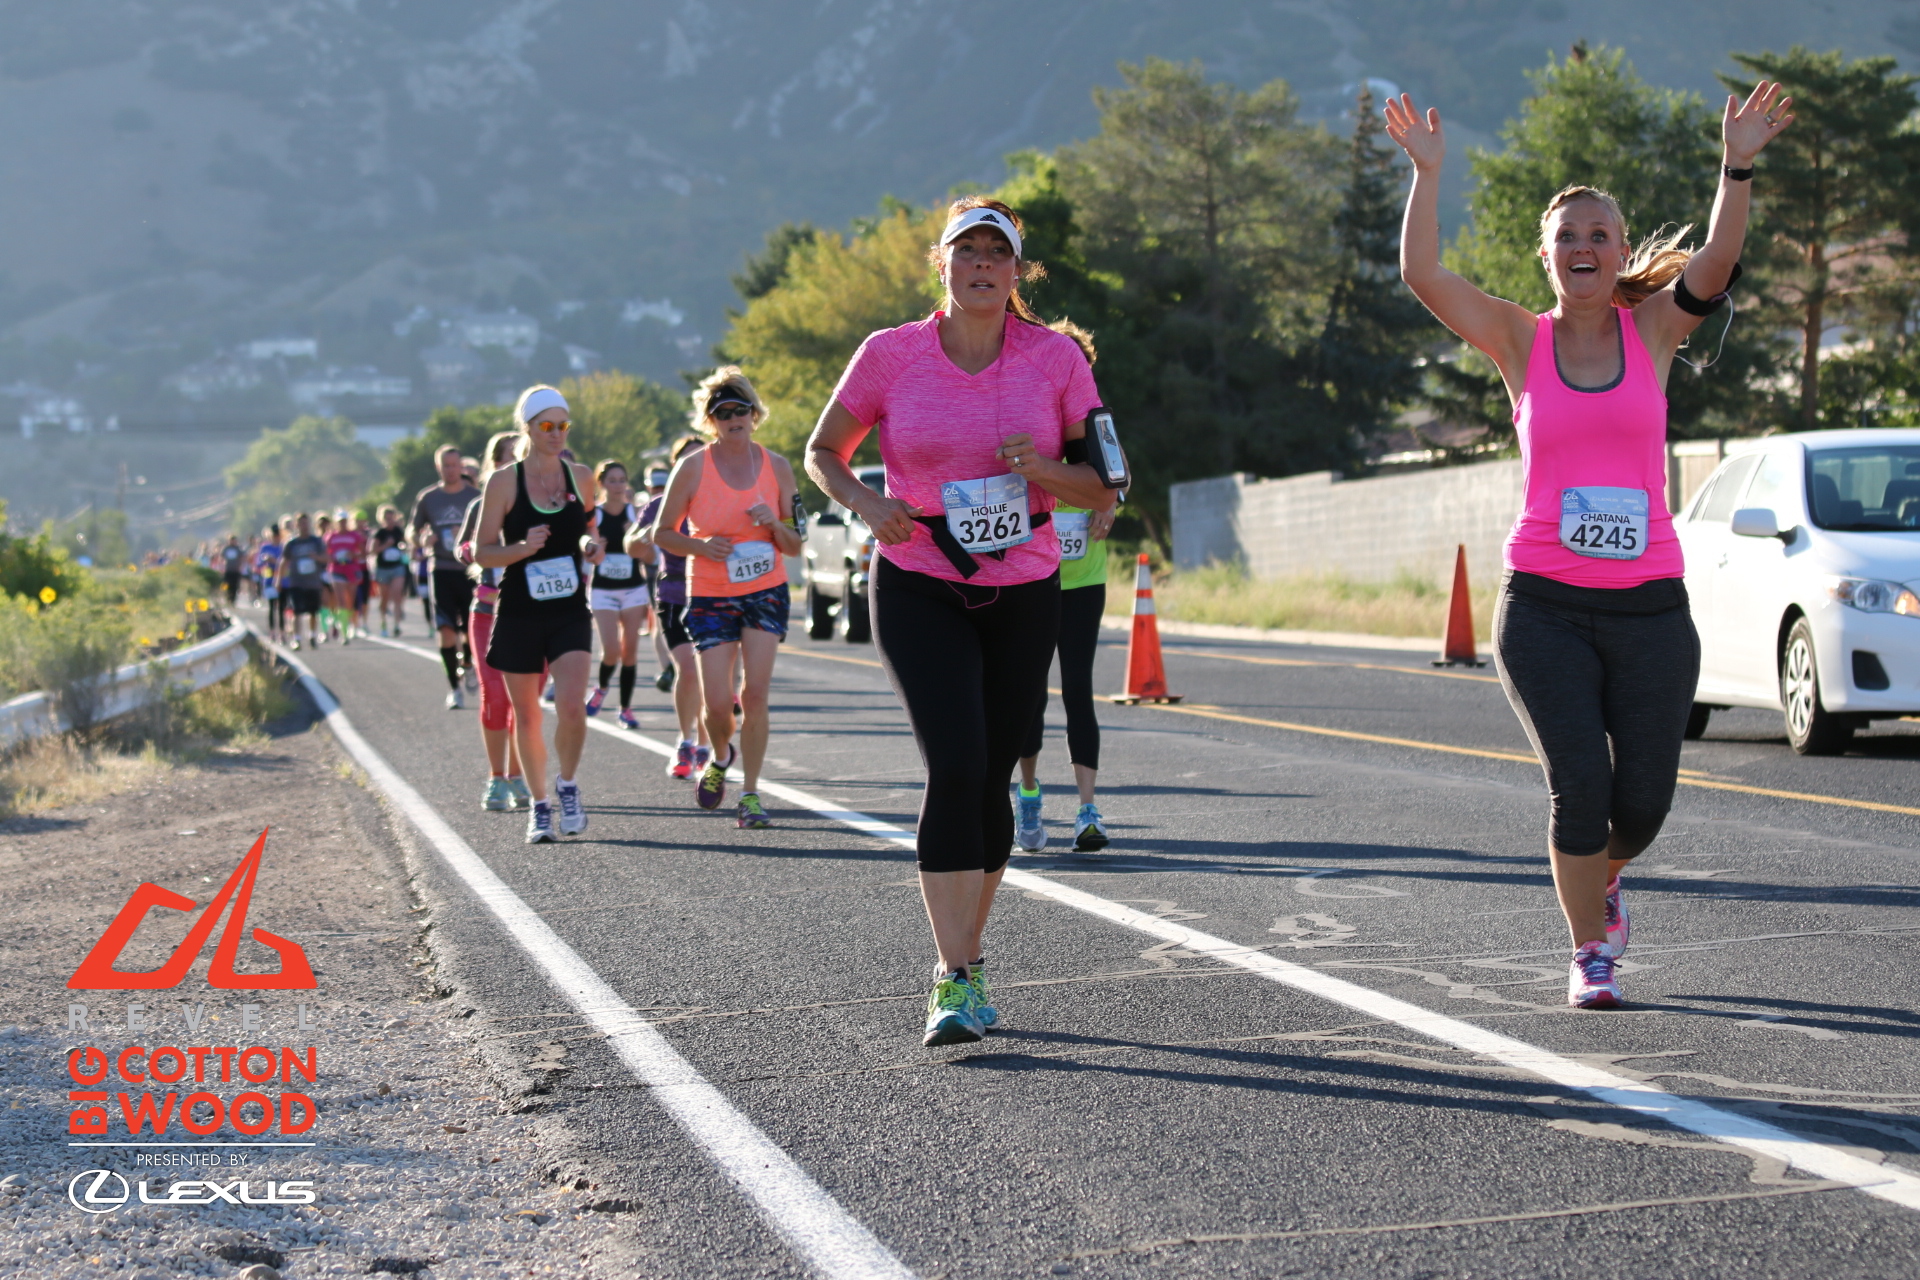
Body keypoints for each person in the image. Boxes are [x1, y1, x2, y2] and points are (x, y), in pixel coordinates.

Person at [1384, 84, 1791, 1009]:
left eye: (1600, 235)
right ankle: (1588, 952)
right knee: (1580, 786)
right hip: (1545, 607)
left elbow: (1718, 260)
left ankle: (1604, 877)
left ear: (1619, 252)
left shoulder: (1655, 331)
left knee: (1638, 808)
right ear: (1547, 256)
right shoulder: (1517, 339)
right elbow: (1423, 274)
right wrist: (1428, 175)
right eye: (1568, 236)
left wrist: (1737, 166)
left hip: (1650, 608)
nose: (1584, 247)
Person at [806, 197, 1117, 1046]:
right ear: (940, 264)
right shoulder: (890, 354)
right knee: (954, 764)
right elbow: (823, 451)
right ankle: (952, 976)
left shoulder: (1055, 360)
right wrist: (869, 503)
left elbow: (1104, 485)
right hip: (919, 578)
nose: (981, 265)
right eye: (966, 251)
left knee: (992, 775)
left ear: (1018, 271)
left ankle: (969, 957)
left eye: (997, 253)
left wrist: (1044, 468)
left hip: (1025, 585)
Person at [651, 370, 802, 829]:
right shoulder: (693, 467)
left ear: (755, 414)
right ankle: (720, 756)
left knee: (754, 694)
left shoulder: (777, 467)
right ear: (710, 421)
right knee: (717, 704)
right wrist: (700, 546)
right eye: (723, 413)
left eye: (741, 410)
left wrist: (773, 523)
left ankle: (751, 794)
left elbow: (796, 544)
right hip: (710, 592)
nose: (734, 418)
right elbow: (661, 533)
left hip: (765, 590)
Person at [472, 386, 604, 843]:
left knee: (572, 706)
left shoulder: (581, 477)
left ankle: (567, 785)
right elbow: (482, 552)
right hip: (519, 611)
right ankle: (540, 806)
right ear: (527, 428)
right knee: (526, 716)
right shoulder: (503, 482)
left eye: (563, 425)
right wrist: (521, 548)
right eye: (547, 425)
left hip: (569, 609)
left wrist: (590, 546)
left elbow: (587, 529)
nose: (556, 433)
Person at [1014, 496, 1115, 853]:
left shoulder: (1093, 453)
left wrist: (1110, 502)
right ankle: (1028, 796)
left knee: (1077, 688)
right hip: (1030, 579)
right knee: (1032, 695)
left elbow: (1120, 473)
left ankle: (1088, 812)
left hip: (1084, 580)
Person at [459, 432, 534, 812]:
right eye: (505, 458)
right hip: (488, 612)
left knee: (525, 702)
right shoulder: (481, 503)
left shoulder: (542, 502)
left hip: (532, 614)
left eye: (517, 457)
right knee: (494, 696)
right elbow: (462, 546)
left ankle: (518, 775)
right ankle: (495, 777)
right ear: (493, 463)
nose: (512, 464)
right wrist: (473, 550)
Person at [638, 438, 712, 778]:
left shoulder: (721, 498)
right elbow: (633, 540)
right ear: (675, 465)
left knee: (712, 676)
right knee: (688, 669)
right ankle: (686, 741)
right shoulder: (659, 504)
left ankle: (707, 745)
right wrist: (642, 538)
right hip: (674, 594)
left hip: (713, 595)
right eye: (686, 458)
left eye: (700, 456)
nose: (694, 463)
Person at [411, 444, 482, 709]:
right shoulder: (428, 498)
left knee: (470, 629)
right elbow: (411, 530)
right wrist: (421, 538)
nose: (451, 470)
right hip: (440, 569)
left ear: (461, 466)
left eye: (454, 465)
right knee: (446, 629)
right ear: (438, 467)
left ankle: (469, 663)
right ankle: (454, 689)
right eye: (446, 466)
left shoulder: (475, 497)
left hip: (470, 570)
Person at [585, 459, 651, 729]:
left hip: (633, 589)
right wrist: (594, 548)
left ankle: (625, 709)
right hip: (603, 590)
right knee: (611, 650)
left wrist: (635, 541)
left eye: (622, 480)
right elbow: (584, 553)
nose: (618, 486)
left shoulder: (636, 514)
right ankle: (601, 688)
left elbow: (650, 557)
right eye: (612, 481)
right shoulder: (595, 515)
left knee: (630, 652)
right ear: (601, 483)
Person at [278, 513, 327, 650]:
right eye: (301, 523)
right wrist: (278, 580)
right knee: (296, 611)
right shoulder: (291, 543)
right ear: (296, 525)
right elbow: (284, 562)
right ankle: (297, 639)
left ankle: (312, 635)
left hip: (313, 582)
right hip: (296, 582)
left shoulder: (316, 542)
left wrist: (316, 557)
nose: (304, 526)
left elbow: (327, 558)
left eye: (306, 523)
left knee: (313, 611)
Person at [369, 505, 410, 636]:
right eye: (387, 518)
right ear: (382, 519)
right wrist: (386, 545)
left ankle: (397, 625)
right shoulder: (379, 533)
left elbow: (406, 544)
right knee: (384, 597)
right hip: (382, 569)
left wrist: (404, 548)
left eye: (391, 518)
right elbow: (372, 550)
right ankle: (383, 622)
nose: (389, 521)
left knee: (397, 594)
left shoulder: (398, 531)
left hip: (397, 567)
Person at [256, 525, 285, 642]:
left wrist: (275, 560)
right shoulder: (265, 547)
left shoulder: (283, 547)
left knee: (281, 608)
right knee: (272, 607)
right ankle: (272, 632)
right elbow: (258, 563)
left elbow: (285, 562)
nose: (276, 537)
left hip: (282, 580)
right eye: (274, 535)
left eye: (277, 535)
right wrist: (265, 559)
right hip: (268, 580)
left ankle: (282, 632)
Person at [218, 535, 245, 606]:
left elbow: (242, 557)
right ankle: (227, 598)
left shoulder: (238, 549)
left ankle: (233, 600)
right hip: (227, 570)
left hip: (235, 570)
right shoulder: (226, 549)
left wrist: (240, 566)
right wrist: (221, 567)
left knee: (235, 586)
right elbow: (221, 557)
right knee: (227, 585)